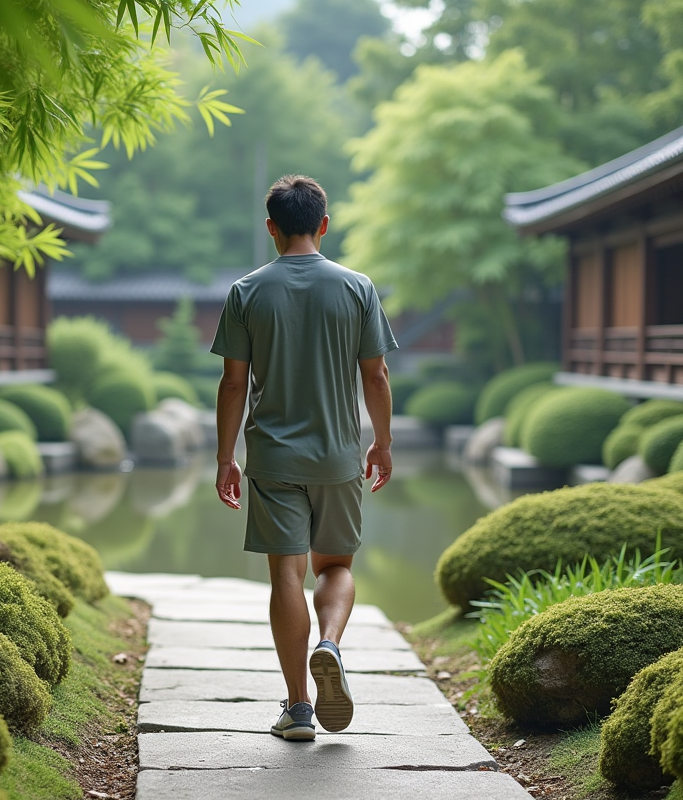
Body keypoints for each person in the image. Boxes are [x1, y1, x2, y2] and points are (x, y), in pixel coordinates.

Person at [210, 175, 397, 742]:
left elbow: (233, 385)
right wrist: (382, 442)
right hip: (339, 457)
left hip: (273, 457)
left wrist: (226, 457)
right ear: (323, 224)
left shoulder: (247, 291)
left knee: (285, 574)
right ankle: (330, 644)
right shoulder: (357, 287)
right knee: (335, 567)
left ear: (271, 228)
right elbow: (376, 373)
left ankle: (297, 709)